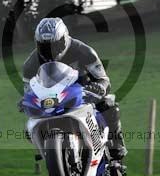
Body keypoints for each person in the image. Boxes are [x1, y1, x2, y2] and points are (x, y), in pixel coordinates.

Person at [21, 17, 127, 168]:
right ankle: (51, 154)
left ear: (64, 39)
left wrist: (99, 88)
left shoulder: (84, 51)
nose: (50, 51)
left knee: (109, 106)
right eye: (45, 47)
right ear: (37, 44)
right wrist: (25, 100)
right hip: (52, 100)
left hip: (84, 94)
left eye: (55, 45)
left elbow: (104, 79)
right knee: (28, 127)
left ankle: (117, 152)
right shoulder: (31, 64)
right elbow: (28, 90)